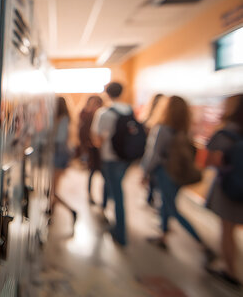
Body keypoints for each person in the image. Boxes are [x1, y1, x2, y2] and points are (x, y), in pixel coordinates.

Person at [140, 96, 212, 257]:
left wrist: (145, 172)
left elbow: (154, 155)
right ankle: (163, 236)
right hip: (178, 174)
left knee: (172, 209)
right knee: (165, 205)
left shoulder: (162, 129)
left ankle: (202, 244)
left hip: (165, 172)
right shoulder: (184, 130)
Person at [204, 94, 243, 288]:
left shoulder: (225, 134)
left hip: (231, 187)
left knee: (227, 231)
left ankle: (231, 272)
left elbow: (211, 162)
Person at [91, 82, 133, 246]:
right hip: (126, 158)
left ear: (106, 93)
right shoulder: (129, 110)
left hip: (110, 157)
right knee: (113, 186)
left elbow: (97, 139)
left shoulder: (104, 113)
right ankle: (104, 210)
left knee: (116, 192)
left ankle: (120, 233)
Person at [52, 97, 77, 229]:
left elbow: (59, 140)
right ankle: (50, 214)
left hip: (58, 156)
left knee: (52, 191)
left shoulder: (62, 120)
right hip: (61, 156)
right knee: (53, 189)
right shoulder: (65, 119)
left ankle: (71, 211)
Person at [78, 95, 104, 205]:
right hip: (91, 148)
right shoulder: (85, 115)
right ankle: (89, 194)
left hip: (100, 149)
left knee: (103, 174)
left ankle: (105, 197)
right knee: (92, 171)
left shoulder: (101, 115)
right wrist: (88, 143)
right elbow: (82, 132)